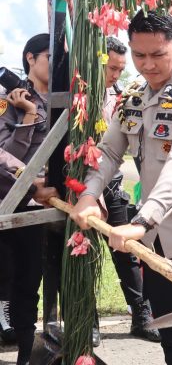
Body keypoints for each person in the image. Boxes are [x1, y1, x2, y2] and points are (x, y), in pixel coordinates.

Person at [71, 10, 172, 364]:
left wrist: (141, 222)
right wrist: (88, 195)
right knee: (171, 334)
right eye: (139, 56)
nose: (148, 65)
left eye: (158, 54)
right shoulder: (133, 97)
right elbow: (110, 151)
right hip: (154, 241)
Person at [92, 36, 161, 345]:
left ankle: (141, 314)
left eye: (121, 69)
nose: (115, 75)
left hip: (112, 184)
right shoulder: (74, 94)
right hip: (78, 186)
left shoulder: (122, 98)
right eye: (111, 68)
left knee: (128, 252)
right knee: (84, 253)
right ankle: (87, 318)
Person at [0, 33, 52, 365]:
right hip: (8, 199)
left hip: (44, 203)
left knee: (29, 282)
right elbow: (4, 155)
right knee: (4, 277)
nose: (56, 64)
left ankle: (24, 353)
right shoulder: (8, 99)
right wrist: (29, 115)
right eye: (50, 57)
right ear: (30, 58)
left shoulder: (66, 100)